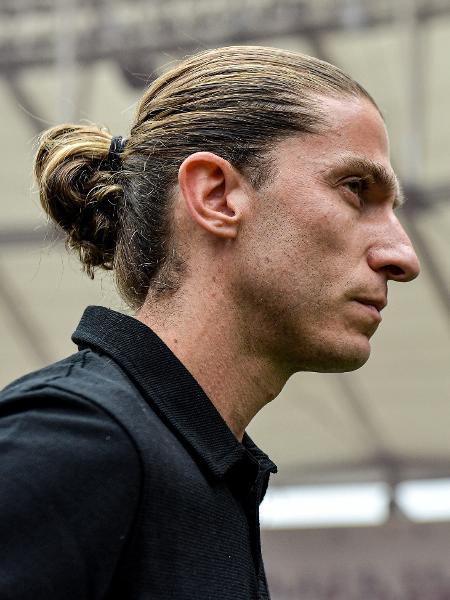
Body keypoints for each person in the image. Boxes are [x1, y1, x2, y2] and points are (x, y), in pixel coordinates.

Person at [0, 46, 419, 599]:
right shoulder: (72, 439)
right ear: (217, 195)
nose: (403, 256)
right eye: (355, 189)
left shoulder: (204, 471)